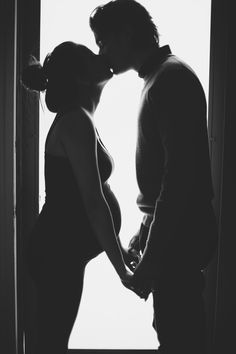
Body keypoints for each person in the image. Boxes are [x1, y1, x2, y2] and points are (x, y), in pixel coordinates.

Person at [89, 1, 218, 353]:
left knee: (179, 337)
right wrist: (144, 234)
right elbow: (166, 179)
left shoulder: (170, 79)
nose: (102, 51)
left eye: (104, 41)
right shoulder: (159, 78)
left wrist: (152, 259)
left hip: (182, 238)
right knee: (174, 330)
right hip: (176, 237)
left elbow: (178, 183)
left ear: (127, 33)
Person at [22, 41, 138, 354]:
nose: (102, 56)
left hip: (64, 253)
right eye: (91, 57)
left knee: (53, 342)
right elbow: (92, 201)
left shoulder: (81, 118)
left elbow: (88, 200)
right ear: (81, 77)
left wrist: (120, 250)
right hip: (57, 252)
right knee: (51, 345)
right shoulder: (76, 122)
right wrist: (121, 270)